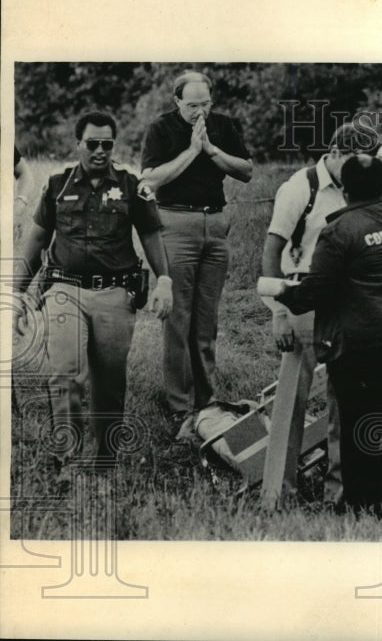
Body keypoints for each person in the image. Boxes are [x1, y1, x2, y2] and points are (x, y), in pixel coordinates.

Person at [274, 154, 382, 515]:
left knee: (359, 426)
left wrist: (283, 292)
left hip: (367, 343)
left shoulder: (339, 230)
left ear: (345, 190)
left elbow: (315, 292)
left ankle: (365, 505)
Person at [12, 111, 173, 483]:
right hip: (65, 289)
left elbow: (151, 236)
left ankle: (103, 463)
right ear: (78, 144)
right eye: (92, 144)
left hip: (115, 291)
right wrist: (17, 296)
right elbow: (35, 243)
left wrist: (164, 280)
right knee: (64, 374)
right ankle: (67, 461)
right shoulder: (56, 185)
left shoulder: (132, 186)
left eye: (107, 144)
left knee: (110, 382)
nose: (100, 151)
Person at [260, 122, 382, 508]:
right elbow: (271, 250)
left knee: (344, 403)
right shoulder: (300, 187)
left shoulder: (365, 180)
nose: (363, 165)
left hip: (349, 303)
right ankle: (277, 494)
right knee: (291, 399)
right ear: (336, 151)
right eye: (359, 158)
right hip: (303, 296)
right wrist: (278, 312)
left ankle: (340, 494)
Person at [139, 70, 253, 438]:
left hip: (215, 227)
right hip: (175, 224)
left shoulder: (222, 126)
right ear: (176, 102)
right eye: (192, 105)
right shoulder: (160, 130)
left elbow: (246, 171)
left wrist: (212, 150)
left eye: (205, 104)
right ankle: (179, 408)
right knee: (177, 319)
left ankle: (207, 401)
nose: (200, 111)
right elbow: (151, 180)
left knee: (207, 320)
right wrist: (191, 151)